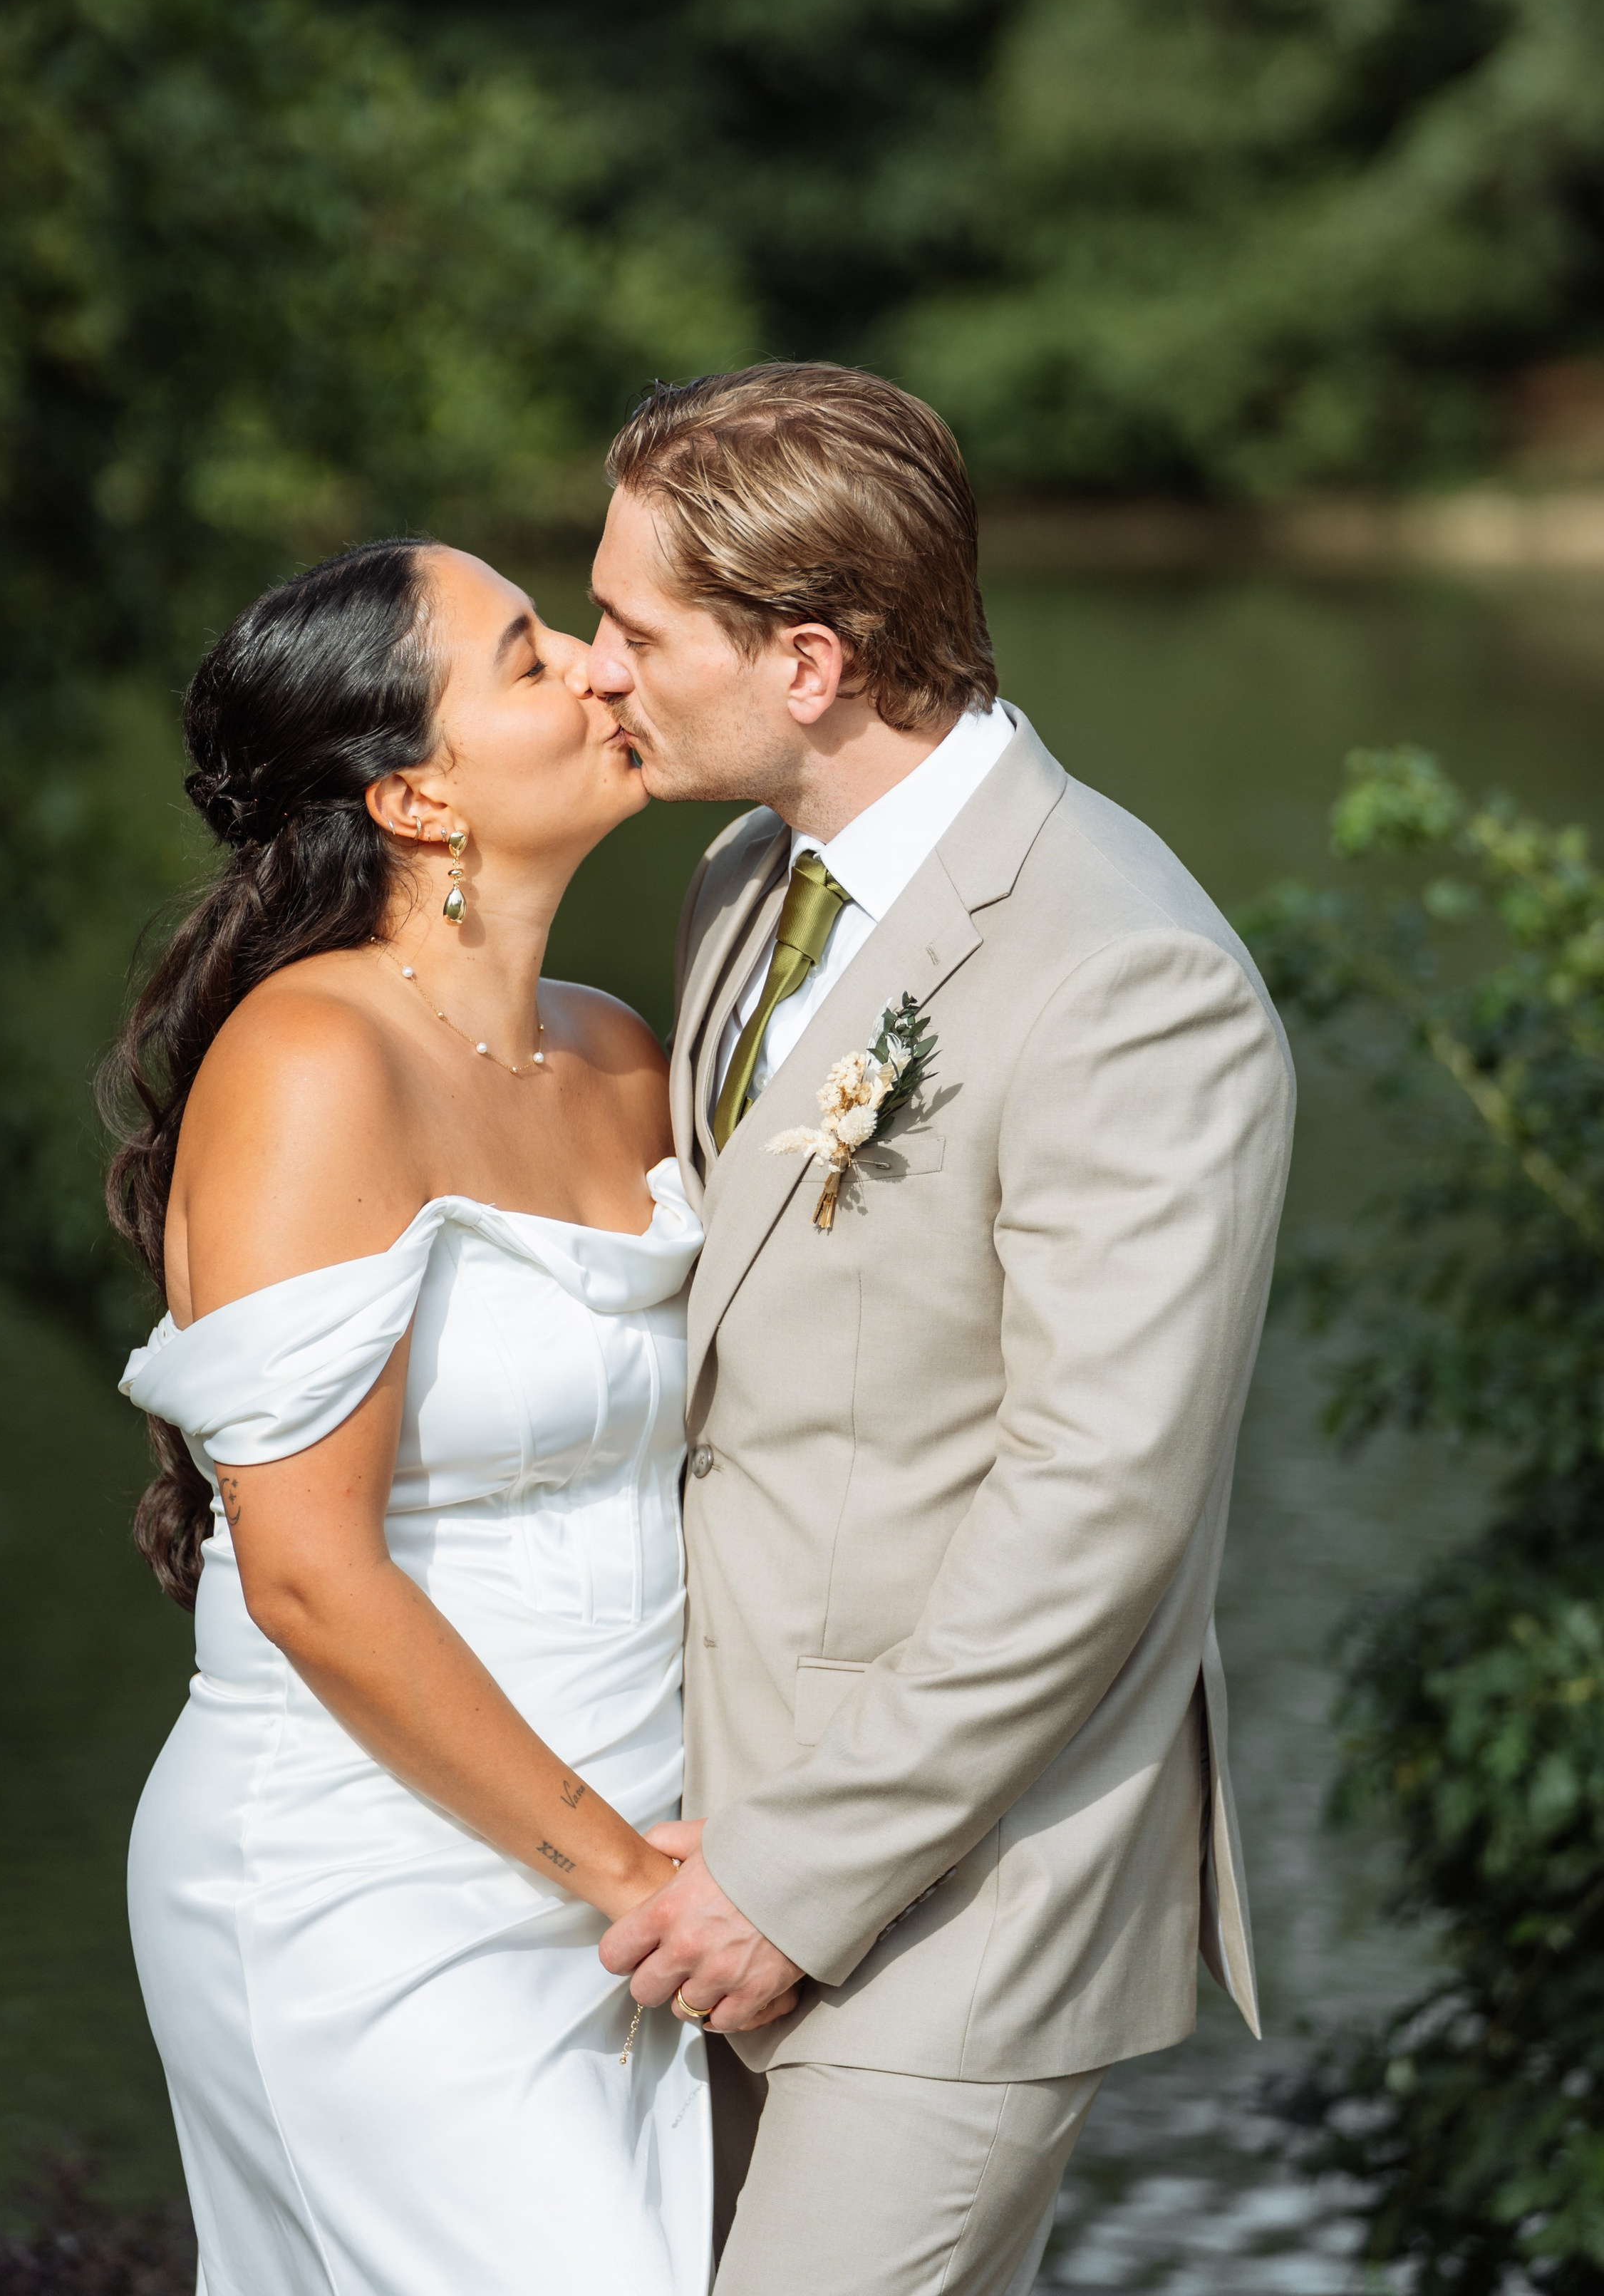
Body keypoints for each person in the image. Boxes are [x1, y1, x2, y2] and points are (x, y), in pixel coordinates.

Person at [589, 363, 1295, 2296]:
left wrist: (790, 1874)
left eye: (635, 628)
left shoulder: (1129, 977)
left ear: (807, 664)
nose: (594, 669)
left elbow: (1097, 1516)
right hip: (695, 1844)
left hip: (965, 1896)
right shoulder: (742, 884)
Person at [105, 540, 722, 2296]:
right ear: (414, 797)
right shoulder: (313, 1063)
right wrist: (626, 1876)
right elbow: (308, 1575)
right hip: (374, 1876)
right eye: (527, 656)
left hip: (630, 1874)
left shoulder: (621, 1057)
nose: (598, 663)